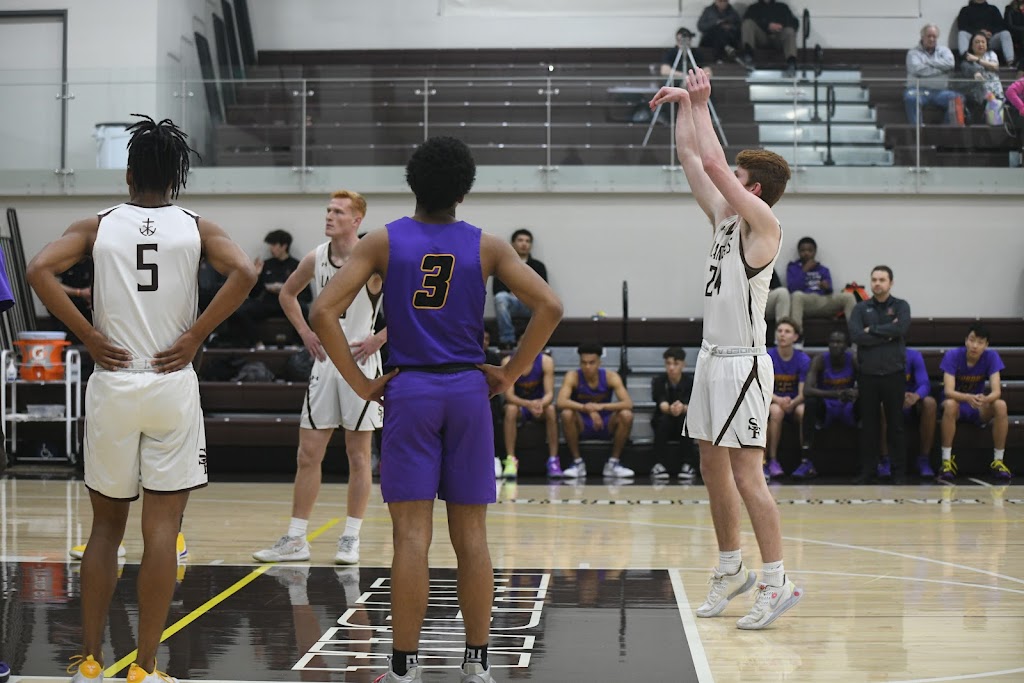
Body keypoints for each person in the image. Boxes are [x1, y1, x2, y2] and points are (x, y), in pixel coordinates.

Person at [308, 136, 562, 683]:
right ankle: (477, 664)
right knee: (472, 539)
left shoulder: (383, 240)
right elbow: (551, 305)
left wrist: (361, 383)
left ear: (412, 184)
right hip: (469, 392)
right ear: (464, 191)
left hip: (411, 391)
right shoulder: (486, 245)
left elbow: (323, 310)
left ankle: (404, 669)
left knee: (411, 539)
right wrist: (510, 373)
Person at [27, 114, 257, 683]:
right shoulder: (197, 228)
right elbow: (245, 272)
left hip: (113, 381)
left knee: (105, 529)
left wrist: (88, 335)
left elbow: (38, 269)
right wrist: (195, 335)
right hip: (170, 382)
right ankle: (146, 667)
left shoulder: (98, 225)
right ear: (177, 178)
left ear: (128, 174)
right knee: (161, 531)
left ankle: (89, 661)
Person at [650, 67, 802, 629]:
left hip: (743, 365)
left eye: (737, 177)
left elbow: (713, 163)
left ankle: (776, 581)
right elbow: (694, 160)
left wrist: (701, 103)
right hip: (711, 358)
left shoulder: (765, 226)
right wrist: (682, 108)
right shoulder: (723, 218)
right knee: (711, 467)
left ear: (752, 189)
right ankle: (730, 566)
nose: (725, 180)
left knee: (747, 476)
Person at [252, 190, 386, 566]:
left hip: (360, 363)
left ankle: (351, 538)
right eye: (328, 210)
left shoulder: (375, 260)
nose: (329, 216)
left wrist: (379, 338)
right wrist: (306, 333)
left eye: (338, 211)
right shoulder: (316, 256)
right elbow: (288, 295)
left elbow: (413, 306)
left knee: (359, 456)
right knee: (308, 454)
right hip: (325, 364)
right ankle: (296, 538)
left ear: (356, 220)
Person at [848, 266, 911, 484]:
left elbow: (901, 329)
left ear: (891, 283)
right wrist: (887, 332)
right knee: (869, 426)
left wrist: (872, 330)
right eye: (874, 279)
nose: (877, 283)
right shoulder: (860, 308)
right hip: (868, 375)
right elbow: (856, 336)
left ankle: (899, 472)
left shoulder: (901, 306)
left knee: (896, 425)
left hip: (894, 374)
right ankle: (868, 471)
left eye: (882, 279)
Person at [938, 324, 1011, 481]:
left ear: (986, 345)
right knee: (950, 404)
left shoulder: (992, 357)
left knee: (1000, 405)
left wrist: (985, 399)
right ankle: (946, 462)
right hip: (957, 404)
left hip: (977, 405)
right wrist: (967, 397)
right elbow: (948, 391)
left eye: (980, 342)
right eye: (972, 340)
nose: (975, 345)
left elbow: (996, 392)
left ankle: (998, 461)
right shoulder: (952, 355)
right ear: (966, 341)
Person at [556, 342, 636, 480]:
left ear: (599, 362)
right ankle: (577, 463)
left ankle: (613, 463)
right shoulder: (573, 376)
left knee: (626, 415)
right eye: (584, 363)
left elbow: (628, 403)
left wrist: (601, 407)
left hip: (605, 422)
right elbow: (561, 402)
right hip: (582, 423)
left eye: (591, 363)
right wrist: (586, 408)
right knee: (566, 414)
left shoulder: (610, 376)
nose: (587, 367)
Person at [230, 229, 311, 348]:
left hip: (289, 303)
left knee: (304, 309)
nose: (270, 248)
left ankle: (297, 345)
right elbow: (254, 294)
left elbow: (308, 296)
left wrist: (287, 289)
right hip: (269, 303)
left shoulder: (297, 265)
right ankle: (257, 343)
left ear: (284, 246)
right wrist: (256, 275)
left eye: (274, 245)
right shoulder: (266, 264)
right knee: (242, 310)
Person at [799, 329, 859, 479]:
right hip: (826, 406)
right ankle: (806, 461)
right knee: (810, 402)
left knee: (869, 401)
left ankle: (872, 462)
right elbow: (807, 390)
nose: (835, 345)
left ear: (846, 345)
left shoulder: (853, 359)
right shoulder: (819, 360)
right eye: (832, 342)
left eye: (839, 342)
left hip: (848, 406)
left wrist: (856, 392)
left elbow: (867, 385)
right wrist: (837, 394)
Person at [500, 349, 560, 479]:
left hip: (539, 405)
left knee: (551, 410)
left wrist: (540, 404)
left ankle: (553, 460)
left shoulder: (546, 361)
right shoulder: (508, 361)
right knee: (510, 409)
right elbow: (509, 396)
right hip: (519, 405)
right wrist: (528, 404)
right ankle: (511, 460)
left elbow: (549, 394)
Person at [881, 347, 938, 478]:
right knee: (881, 405)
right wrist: (895, 396)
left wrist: (916, 396)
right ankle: (885, 460)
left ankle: (924, 459)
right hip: (890, 401)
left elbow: (925, 384)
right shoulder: (881, 356)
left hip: (911, 403)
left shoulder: (913, 356)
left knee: (930, 403)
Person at [765, 318, 810, 479]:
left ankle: (806, 460)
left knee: (803, 411)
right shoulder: (767, 357)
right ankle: (772, 461)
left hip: (794, 402)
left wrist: (792, 403)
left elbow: (803, 392)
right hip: (774, 401)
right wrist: (778, 399)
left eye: (787, 331)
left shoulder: (803, 359)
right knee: (776, 411)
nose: (782, 335)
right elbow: (762, 387)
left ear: (795, 337)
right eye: (780, 331)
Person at [492, 228, 548, 349]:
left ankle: (537, 342)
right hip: (511, 302)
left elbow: (545, 292)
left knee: (544, 304)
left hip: (530, 304)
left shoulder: (538, 266)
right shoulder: (502, 264)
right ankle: (507, 340)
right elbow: (497, 290)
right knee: (500, 298)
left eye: (527, 241)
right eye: (520, 240)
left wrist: (523, 294)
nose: (524, 244)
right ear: (513, 243)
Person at [785, 237, 856, 332]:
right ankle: (797, 336)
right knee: (796, 295)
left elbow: (830, 291)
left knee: (848, 297)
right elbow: (792, 289)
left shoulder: (823, 269)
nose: (806, 253)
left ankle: (856, 335)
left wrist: (826, 287)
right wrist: (804, 270)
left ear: (815, 252)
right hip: (805, 302)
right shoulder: (793, 267)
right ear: (799, 252)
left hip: (822, 300)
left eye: (810, 250)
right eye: (803, 250)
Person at [649, 346, 698, 481]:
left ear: (683, 364)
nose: (671, 368)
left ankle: (688, 464)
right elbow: (662, 403)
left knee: (687, 421)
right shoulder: (659, 381)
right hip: (665, 419)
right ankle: (658, 464)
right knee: (663, 420)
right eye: (668, 363)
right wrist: (671, 409)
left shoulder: (691, 382)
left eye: (675, 364)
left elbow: (694, 406)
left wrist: (683, 408)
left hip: (683, 418)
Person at [904, 25, 963, 126]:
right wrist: (941, 70)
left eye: (934, 36)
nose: (931, 39)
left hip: (941, 92)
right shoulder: (913, 53)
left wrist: (927, 62)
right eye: (929, 36)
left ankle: (945, 130)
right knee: (910, 97)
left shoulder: (944, 51)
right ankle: (917, 130)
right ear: (922, 37)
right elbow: (917, 70)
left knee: (957, 98)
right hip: (918, 90)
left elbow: (950, 64)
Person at [740, 0, 799, 76]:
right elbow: (745, 21)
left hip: (778, 38)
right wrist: (767, 26)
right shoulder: (753, 8)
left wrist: (781, 26)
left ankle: (791, 64)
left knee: (789, 31)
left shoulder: (782, 7)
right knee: (747, 23)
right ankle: (748, 58)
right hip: (762, 38)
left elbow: (794, 22)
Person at [958, 0, 1016, 64]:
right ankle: (965, 58)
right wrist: (979, 32)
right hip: (974, 40)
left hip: (990, 39)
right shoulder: (965, 10)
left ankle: (1010, 61)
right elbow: (962, 26)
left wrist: (990, 32)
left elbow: (1001, 26)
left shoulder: (993, 9)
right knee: (962, 33)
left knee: (1005, 33)